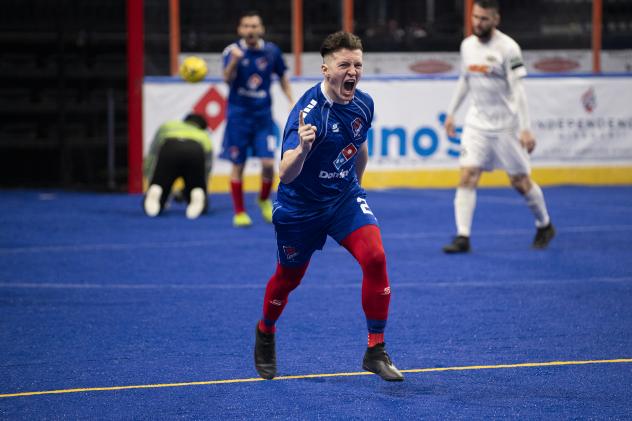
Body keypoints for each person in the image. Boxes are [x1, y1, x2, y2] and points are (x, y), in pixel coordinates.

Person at [253, 31, 404, 382]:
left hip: (343, 199)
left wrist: (358, 189)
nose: (352, 71)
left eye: (357, 64)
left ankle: (375, 349)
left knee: (376, 257)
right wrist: (303, 150)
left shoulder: (363, 103)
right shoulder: (308, 115)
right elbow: (285, 174)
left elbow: (358, 146)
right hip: (300, 208)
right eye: (344, 65)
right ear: (325, 69)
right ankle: (266, 330)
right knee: (288, 279)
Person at [442, 0, 555, 253]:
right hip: (476, 124)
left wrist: (525, 128)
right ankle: (463, 236)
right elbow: (464, 79)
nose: (478, 23)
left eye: (484, 19)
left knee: (520, 182)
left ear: (496, 19)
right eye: (475, 17)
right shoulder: (467, 46)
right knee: (468, 175)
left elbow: (519, 90)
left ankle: (544, 223)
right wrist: (451, 113)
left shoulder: (509, 48)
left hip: (506, 126)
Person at [221, 10, 294, 227]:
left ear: (261, 29)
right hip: (239, 117)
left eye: (254, 26)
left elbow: (282, 77)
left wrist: (291, 101)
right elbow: (226, 79)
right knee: (238, 164)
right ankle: (240, 212)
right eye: (246, 26)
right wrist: (234, 62)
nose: (250, 30)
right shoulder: (231, 51)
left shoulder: (272, 52)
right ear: (240, 30)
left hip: (263, 117)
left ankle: (263, 199)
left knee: (269, 164)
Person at [143, 113, 212, 220]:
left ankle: (157, 188)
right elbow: (207, 167)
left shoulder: (167, 126)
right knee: (196, 188)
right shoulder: (203, 135)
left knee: (160, 186)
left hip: (169, 149)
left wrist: (151, 178)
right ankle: (196, 192)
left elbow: (153, 152)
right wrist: (202, 188)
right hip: (195, 150)